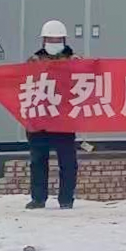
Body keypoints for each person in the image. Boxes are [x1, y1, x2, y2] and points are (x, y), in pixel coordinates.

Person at [26, 20, 80, 210]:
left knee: (68, 162)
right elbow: (18, 81)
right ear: (44, 41)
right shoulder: (33, 61)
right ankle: (38, 198)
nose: (54, 42)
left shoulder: (75, 61)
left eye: (57, 39)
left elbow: (90, 79)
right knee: (38, 161)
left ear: (64, 40)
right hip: (40, 119)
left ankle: (66, 199)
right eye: (50, 39)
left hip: (64, 120)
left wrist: (80, 66)